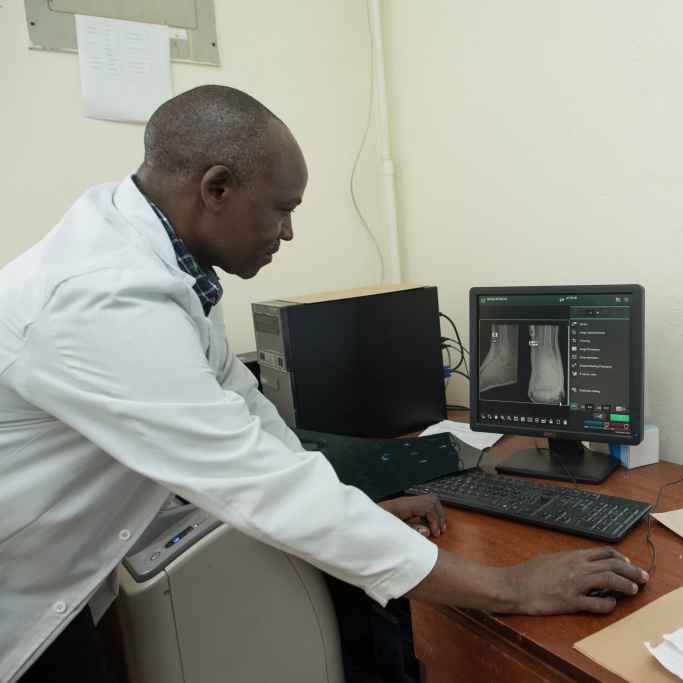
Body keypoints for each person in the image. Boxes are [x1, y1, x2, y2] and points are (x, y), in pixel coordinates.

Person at [0, 85, 647, 683]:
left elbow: (250, 411)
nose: (287, 231)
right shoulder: (102, 299)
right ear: (217, 187)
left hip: (53, 575)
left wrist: (355, 508)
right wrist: (511, 585)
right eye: (281, 209)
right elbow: (262, 482)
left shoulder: (163, 272)